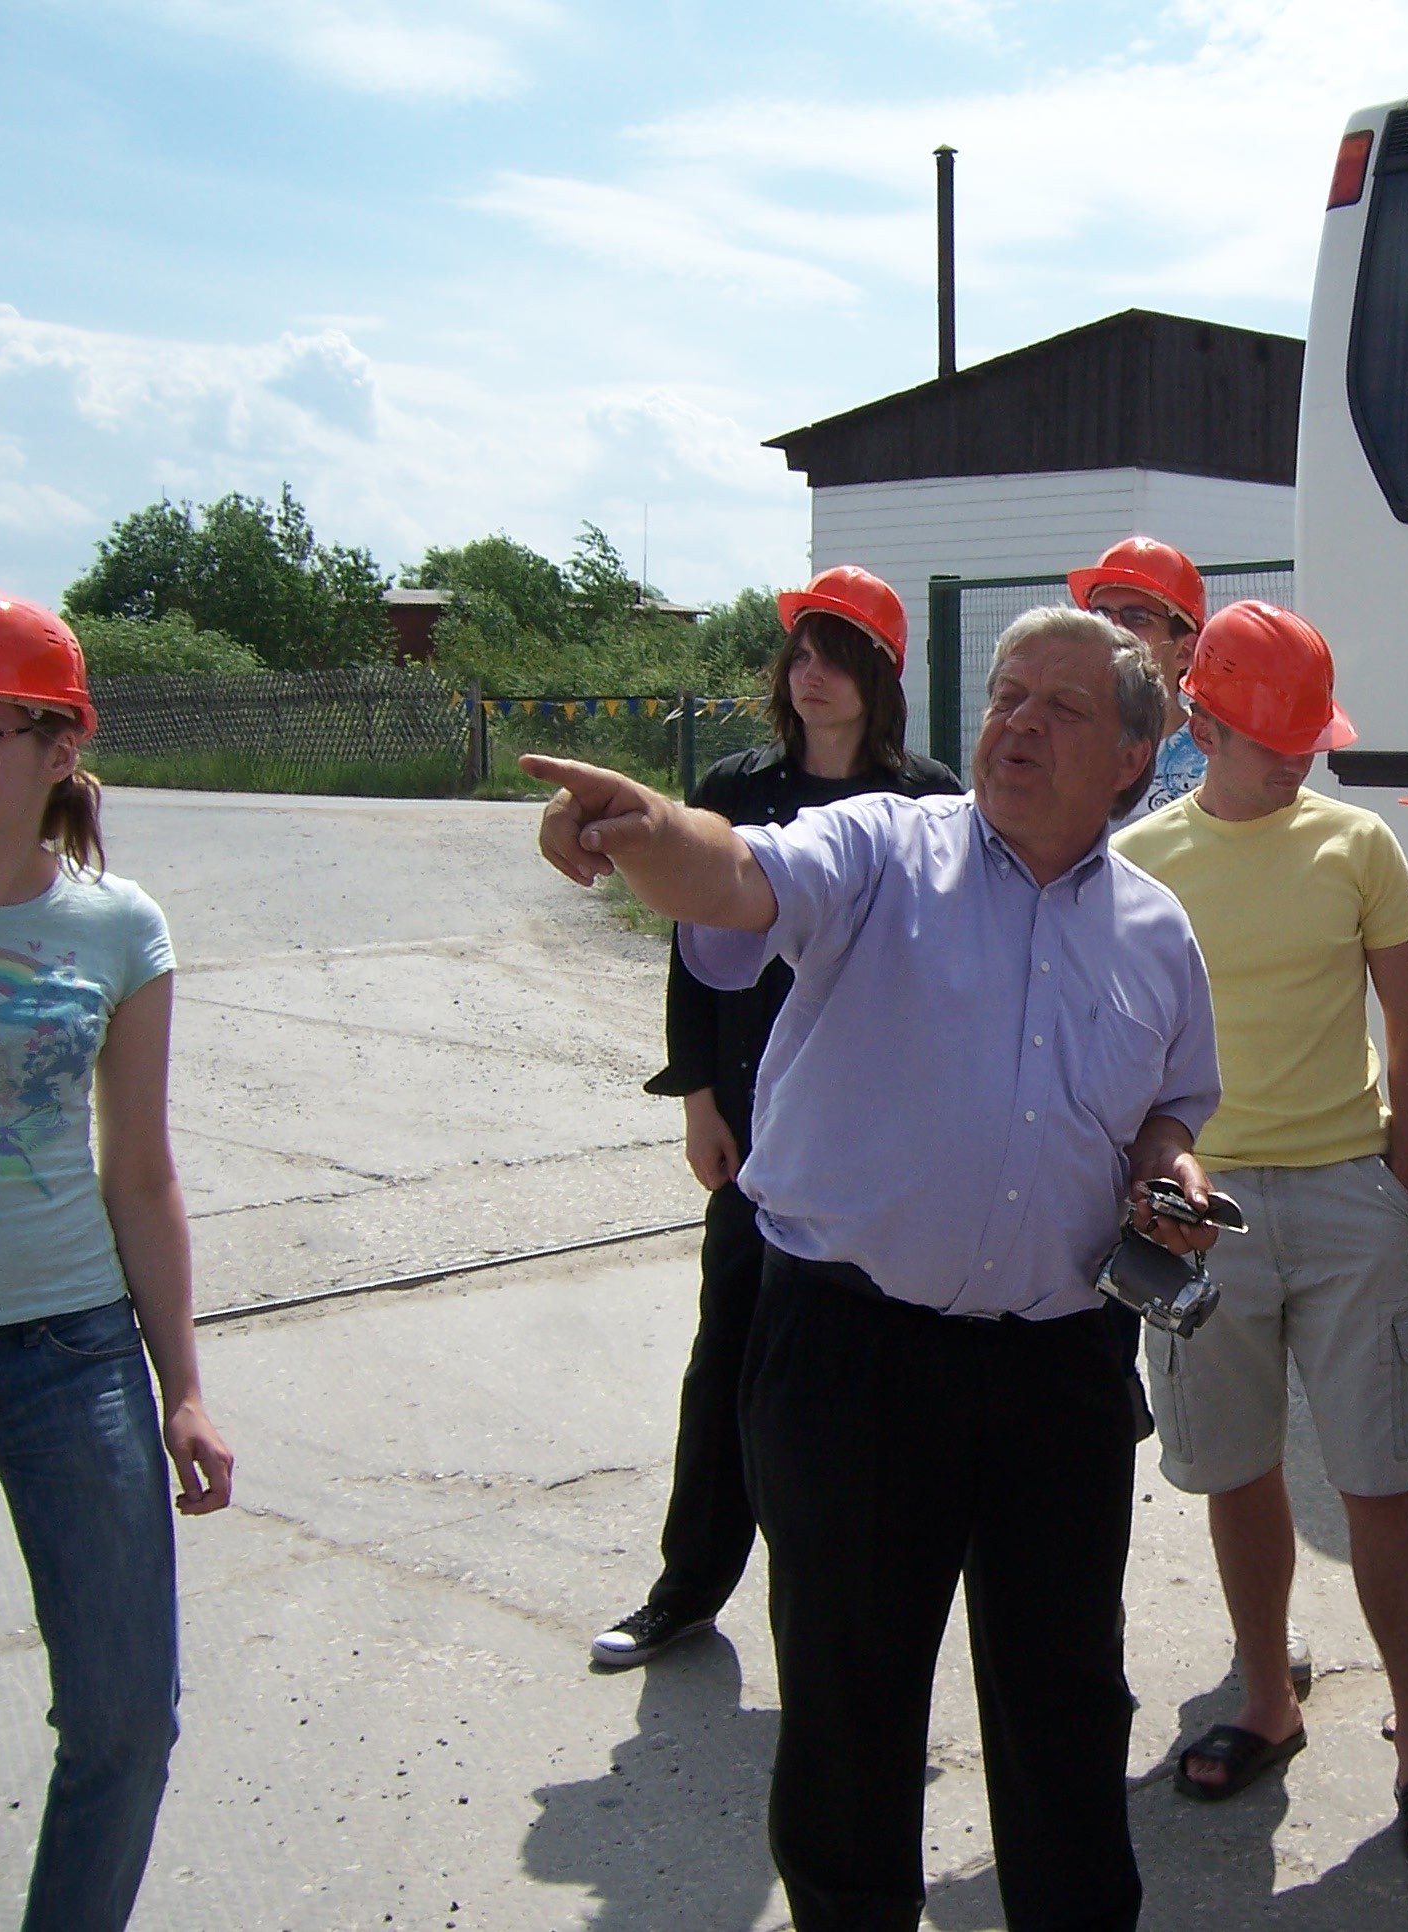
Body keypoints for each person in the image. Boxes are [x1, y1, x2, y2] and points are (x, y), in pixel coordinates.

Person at [522, 606, 1219, 1932]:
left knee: (1068, 1698)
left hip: (1060, 1368)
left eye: (1062, 708)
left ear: (1133, 757)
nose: (1018, 725)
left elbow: (1173, 1103)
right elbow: (734, 874)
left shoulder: (1155, 929)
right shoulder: (884, 845)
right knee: (848, 1703)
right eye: (1008, 696)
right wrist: (643, 827)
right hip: (851, 1358)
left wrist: (1170, 1168)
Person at [1108, 602, 1408, 1863]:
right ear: (1201, 725)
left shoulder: (1355, 843)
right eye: (1274, 739)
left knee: (1378, 1473)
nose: (1300, 758)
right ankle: (1268, 1698)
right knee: (1235, 1466)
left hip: (1345, 1191)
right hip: (1204, 1209)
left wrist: (1397, 1186)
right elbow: (1117, 1043)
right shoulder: (1142, 860)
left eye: (1311, 735)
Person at [591, 567, 960, 1670]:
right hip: (754, 1130)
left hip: (875, 1142)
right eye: (800, 654)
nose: (811, 675)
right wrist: (699, 1100)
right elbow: (689, 958)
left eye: (835, 657)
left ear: (880, 677)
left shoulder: (929, 802)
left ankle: (847, 1615)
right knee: (729, 1360)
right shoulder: (735, 789)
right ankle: (686, 1587)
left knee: (862, 1380)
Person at [0, 584, 235, 1932]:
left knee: (124, 1722)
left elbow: (141, 1171)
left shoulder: (118, 927)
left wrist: (184, 1386)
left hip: (72, 1356)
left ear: (59, 746)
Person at [1071, 536, 1208, 822]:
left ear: (1185, 651)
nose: (1112, 629)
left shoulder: (1215, 767)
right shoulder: (1059, 749)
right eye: (1099, 615)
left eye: (1136, 617)